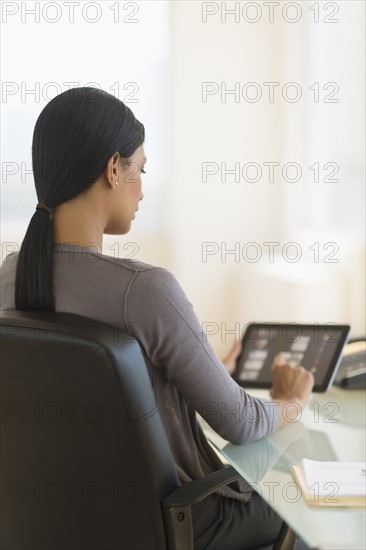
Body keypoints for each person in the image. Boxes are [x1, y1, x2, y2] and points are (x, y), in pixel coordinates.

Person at [0, 87, 314, 549]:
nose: (143, 189)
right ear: (112, 168)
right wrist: (290, 401)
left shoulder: (10, 278)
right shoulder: (144, 290)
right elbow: (243, 423)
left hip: (65, 526)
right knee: (304, 505)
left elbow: (87, 395)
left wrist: (185, 378)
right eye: (140, 170)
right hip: (180, 523)